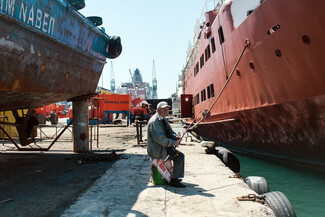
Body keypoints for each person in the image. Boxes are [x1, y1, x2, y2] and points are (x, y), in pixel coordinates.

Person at [147, 101, 186, 188]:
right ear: (157, 110)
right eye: (163, 109)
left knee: (179, 155)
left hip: (164, 148)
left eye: (167, 109)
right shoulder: (154, 122)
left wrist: (176, 138)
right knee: (179, 156)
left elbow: (170, 132)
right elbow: (160, 139)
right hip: (158, 151)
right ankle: (174, 180)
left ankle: (175, 176)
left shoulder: (164, 119)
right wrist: (173, 143)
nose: (166, 111)